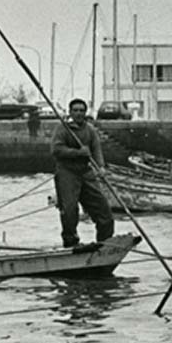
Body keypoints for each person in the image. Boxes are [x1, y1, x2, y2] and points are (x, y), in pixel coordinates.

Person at [50, 98, 115, 248]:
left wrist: (101, 167)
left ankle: (104, 243)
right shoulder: (63, 129)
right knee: (70, 210)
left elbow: (96, 149)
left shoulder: (90, 130)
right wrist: (77, 152)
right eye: (75, 110)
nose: (79, 113)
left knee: (103, 209)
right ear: (70, 112)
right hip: (67, 172)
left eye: (81, 110)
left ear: (85, 113)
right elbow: (56, 150)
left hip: (85, 172)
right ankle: (71, 242)